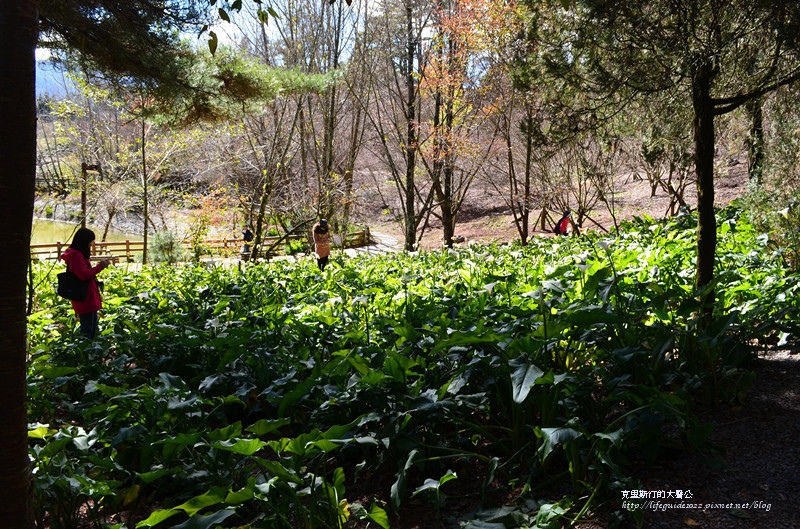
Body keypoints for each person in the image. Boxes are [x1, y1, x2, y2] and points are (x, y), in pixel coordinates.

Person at [60, 228, 111, 339]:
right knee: (87, 332)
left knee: (92, 328)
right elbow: (84, 275)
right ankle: (86, 354)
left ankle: (91, 353)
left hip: (88, 297)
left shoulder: (78, 254)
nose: (90, 244)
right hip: (84, 298)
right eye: (89, 241)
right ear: (84, 241)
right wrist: (100, 266)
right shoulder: (75, 256)